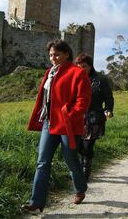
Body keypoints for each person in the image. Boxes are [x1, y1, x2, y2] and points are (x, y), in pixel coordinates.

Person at [22, 40, 91, 214]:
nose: (53, 58)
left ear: (67, 54)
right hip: (49, 123)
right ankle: (36, 201)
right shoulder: (49, 73)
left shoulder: (78, 73)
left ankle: (80, 189)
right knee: (42, 162)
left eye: (57, 54)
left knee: (71, 160)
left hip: (68, 125)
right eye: (51, 55)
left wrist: (70, 115)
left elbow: (83, 100)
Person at [75, 53, 114, 181]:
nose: (81, 69)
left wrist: (108, 109)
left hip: (94, 117)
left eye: (84, 67)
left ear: (90, 66)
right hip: (77, 117)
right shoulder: (75, 79)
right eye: (79, 66)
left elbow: (109, 97)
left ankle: (85, 173)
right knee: (77, 146)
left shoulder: (101, 80)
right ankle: (80, 166)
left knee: (87, 146)